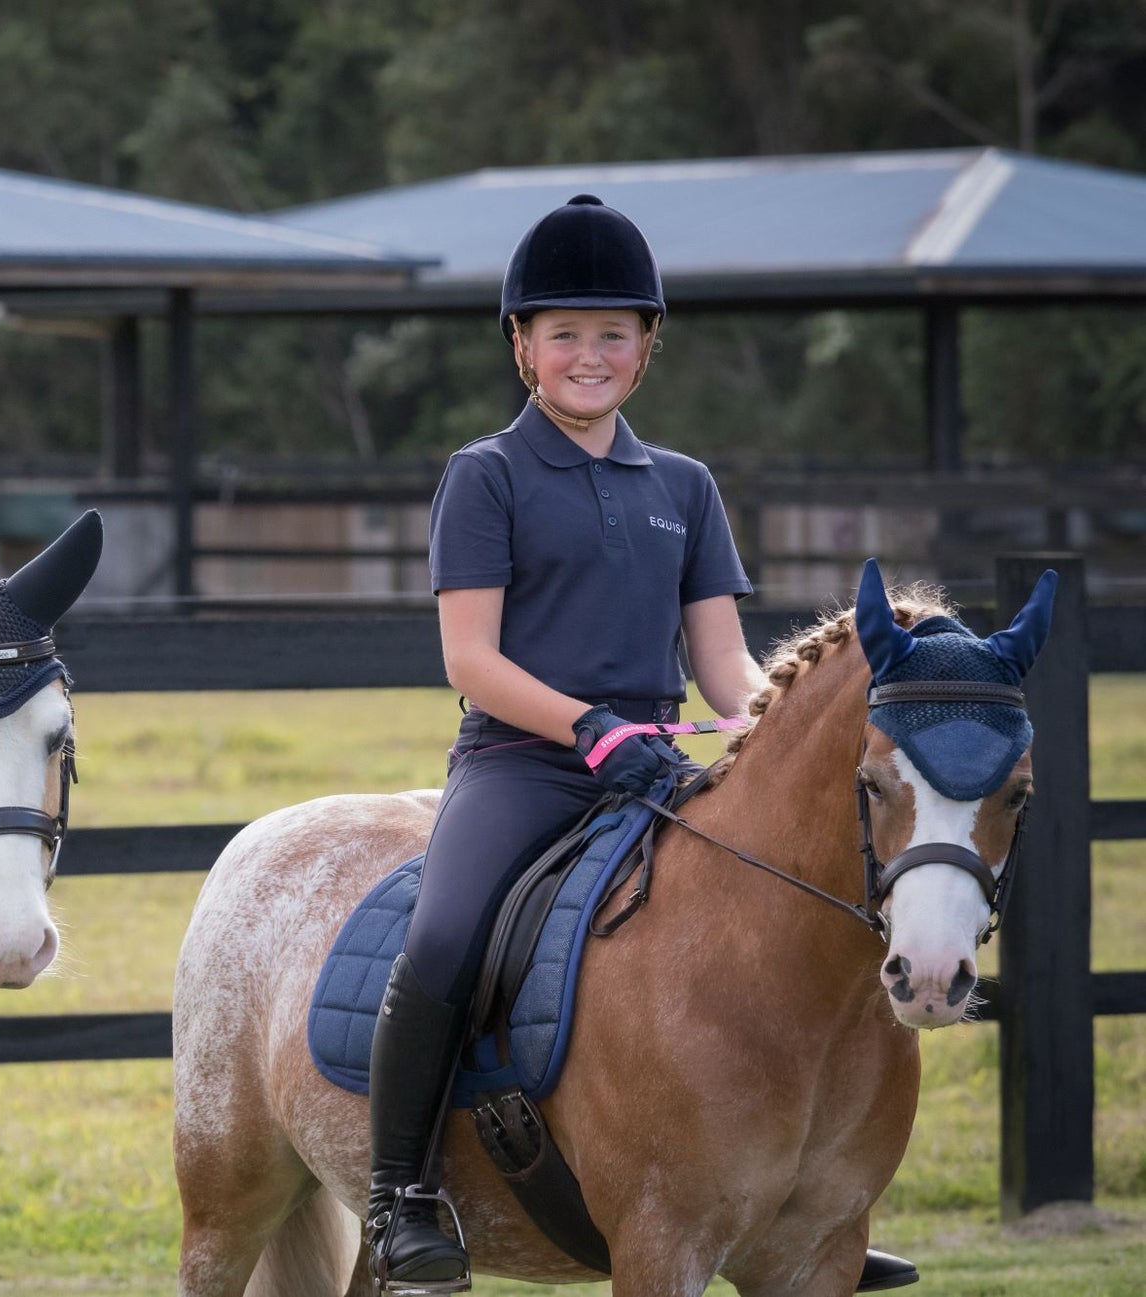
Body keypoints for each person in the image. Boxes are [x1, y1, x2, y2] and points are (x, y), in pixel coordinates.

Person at [361, 195, 918, 1294]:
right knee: (442, 937)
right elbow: (468, 657)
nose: (588, 355)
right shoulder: (485, 475)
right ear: (520, 346)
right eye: (562, 333)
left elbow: (724, 670)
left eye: (613, 333)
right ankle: (397, 1195)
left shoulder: (682, 487)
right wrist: (583, 724)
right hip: (521, 764)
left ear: (646, 348)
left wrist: (772, 741)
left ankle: (804, 1204)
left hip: (656, 770)